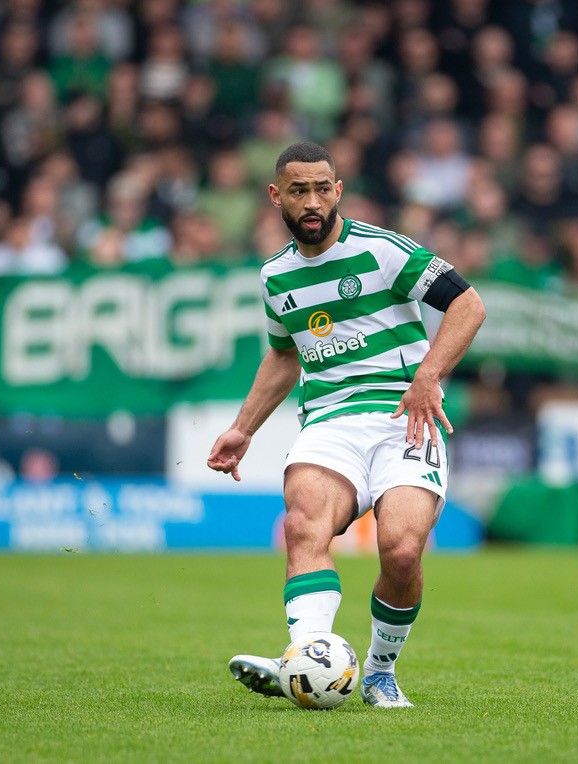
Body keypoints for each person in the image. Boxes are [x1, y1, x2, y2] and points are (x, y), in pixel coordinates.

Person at [207, 142, 486, 708]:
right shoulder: (275, 276)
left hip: (405, 416)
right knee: (305, 525)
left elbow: (469, 305)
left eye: (322, 188)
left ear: (338, 190)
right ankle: (306, 656)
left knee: (402, 552)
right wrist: (245, 427)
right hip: (330, 421)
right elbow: (285, 355)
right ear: (276, 196)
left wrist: (429, 375)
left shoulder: (384, 251)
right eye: (298, 190)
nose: (312, 201)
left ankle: (380, 671)